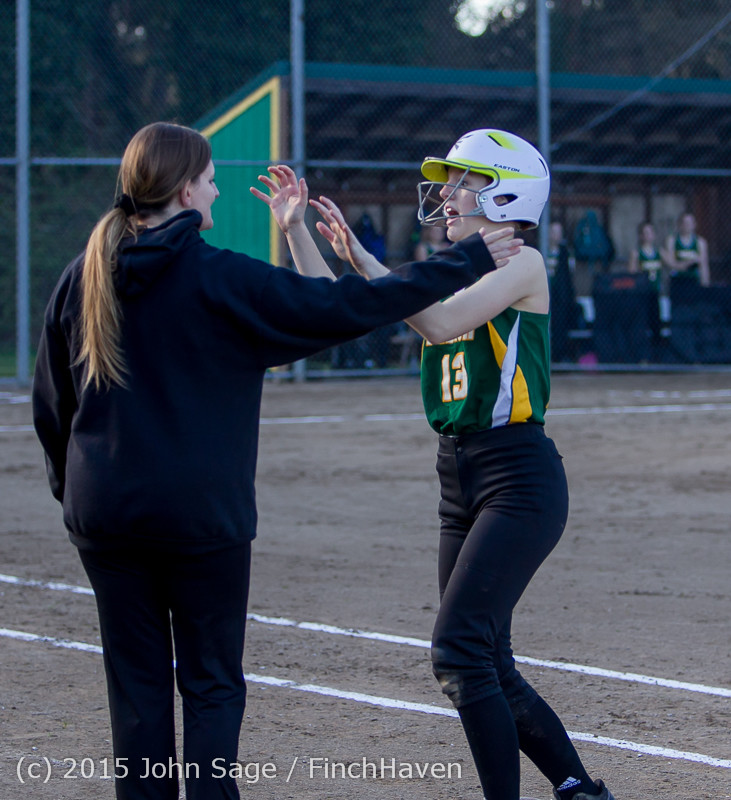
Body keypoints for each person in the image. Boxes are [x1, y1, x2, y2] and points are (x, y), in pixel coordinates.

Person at [31, 121, 512, 800]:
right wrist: (467, 261)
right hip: (201, 519)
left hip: (104, 515)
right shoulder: (220, 278)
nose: (215, 192)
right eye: (210, 181)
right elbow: (347, 308)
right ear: (184, 190)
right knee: (211, 684)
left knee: (136, 688)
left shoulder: (82, 276)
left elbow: (50, 405)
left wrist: (75, 493)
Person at [254, 131, 616, 800]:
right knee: (487, 659)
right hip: (458, 478)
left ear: (505, 195)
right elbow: (333, 309)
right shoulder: (447, 270)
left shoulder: (524, 263)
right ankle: (581, 792)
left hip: (517, 478)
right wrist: (305, 235)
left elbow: (440, 322)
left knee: (458, 652)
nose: (447, 197)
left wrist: (370, 266)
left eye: (464, 184)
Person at [545, 221, 577, 362]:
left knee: (560, 326)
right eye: (553, 232)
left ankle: (559, 355)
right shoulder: (542, 250)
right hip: (546, 294)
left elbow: (569, 275)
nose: (556, 235)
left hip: (560, 298)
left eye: (559, 232)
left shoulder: (565, 253)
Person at [663, 211, 710, 287]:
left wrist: (705, 284)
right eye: (685, 223)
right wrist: (688, 263)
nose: (687, 226)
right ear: (679, 225)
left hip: (694, 279)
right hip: (677, 279)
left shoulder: (700, 242)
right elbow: (671, 263)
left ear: (694, 225)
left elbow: (703, 266)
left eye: (690, 223)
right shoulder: (672, 241)